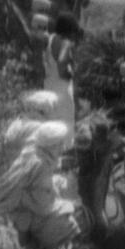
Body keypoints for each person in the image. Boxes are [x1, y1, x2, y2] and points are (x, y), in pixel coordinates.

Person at [0, 121, 82, 249]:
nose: (62, 148)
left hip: (23, 201)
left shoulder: (34, 153)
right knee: (68, 221)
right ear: (51, 145)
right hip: (22, 207)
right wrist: (66, 204)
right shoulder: (40, 163)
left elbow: (38, 188)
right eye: (59, 144)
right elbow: (42, 204)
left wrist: (54, 186)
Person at [42, 11, 83, 151]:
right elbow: (61, 61)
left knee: (51, 126)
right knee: (65, 127)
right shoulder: (65, 43)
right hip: (62, 90)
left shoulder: (50, 39)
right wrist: (67, 74)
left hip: (49, 87)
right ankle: (64, 155)